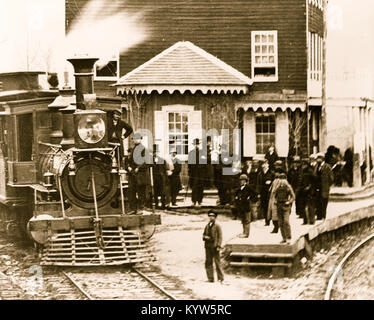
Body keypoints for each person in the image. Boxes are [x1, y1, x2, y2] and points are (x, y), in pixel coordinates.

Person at [125, 133, 151, 213]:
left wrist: (138, 168)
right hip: (133, 174)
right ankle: (133, 209)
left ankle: (141, 208)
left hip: (141, 175)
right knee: (131, 192)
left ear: (140, 139)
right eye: (134, 139)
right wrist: (128, 167)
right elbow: (128, 161)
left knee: (141, 193)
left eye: (138, 139)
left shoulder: (144, 149)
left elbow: (147, 162)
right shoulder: (133, 149)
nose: (136, 140)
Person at [272, 173, 295, 244]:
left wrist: (289, 202)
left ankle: (288, 237)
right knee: (280, 223)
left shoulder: (288, 187)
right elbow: (273, 195)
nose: (282, 181)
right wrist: (275, 201)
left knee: (286, 221)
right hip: (279, 205)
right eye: (280, 179)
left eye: (283, 179)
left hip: (285, 206)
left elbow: (293, 196)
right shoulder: (277, 187)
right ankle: (284, 237)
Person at [202, 210, 224, 283]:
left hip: (214, 246)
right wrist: (205, 237)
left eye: (213, 216)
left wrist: (218, 245)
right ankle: (210, 278)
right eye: (210, 216)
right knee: (208, 262)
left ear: (215, 217)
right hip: (208, 246)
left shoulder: (217, 226)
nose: (211, 217)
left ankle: (220, 278)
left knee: (217, 262)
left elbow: (220, 237)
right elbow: (203, 235)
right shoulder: (207, 226)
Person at [152, 145, 173, 210]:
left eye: (156, 152)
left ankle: (163, 204)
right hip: (154, 178)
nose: (155, 153)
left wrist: (165, 176)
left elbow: (166, 169)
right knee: (154, 192)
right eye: (154, 152)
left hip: (161, 178)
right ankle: (156, 204)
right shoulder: (150, 160)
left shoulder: (162, 160)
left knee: (162, 192)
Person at [315, 152, 334, 220]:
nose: (318, 160)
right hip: (317, 188)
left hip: (324, 187)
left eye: (319, 158)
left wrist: (327, 185)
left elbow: (331, 178)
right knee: (318, 201)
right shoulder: (316, 166)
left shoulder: (327, 167)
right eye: (317, 158)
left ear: (322, 158)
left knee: (324, 202)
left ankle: (323, 215)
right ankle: (319, 215)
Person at [188, 138, 206, 207]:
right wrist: (189, 172)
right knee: (194, 187)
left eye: (197, 144)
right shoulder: (191, 153)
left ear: (199, 145)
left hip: (201, 173)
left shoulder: (203, 153)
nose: (196, 145)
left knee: (200, 187)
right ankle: (193, 201)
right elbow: (189, 164)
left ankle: (200, 201)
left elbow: (205, 164)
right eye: (195, 144)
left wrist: (204, 173)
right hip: (194, 173)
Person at [257, 159, 274, 226]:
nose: (264, 165)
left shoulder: (271, 173)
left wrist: (270, 183)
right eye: (263, 164)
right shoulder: (260, 174)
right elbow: (258, 184)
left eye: (265, 164)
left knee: (270, 206)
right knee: (264, 206)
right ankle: (267, 221)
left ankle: (272, 220)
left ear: (268, 165)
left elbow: (274, 183)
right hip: (262, 192)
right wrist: (258, 193)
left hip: (269, 192)